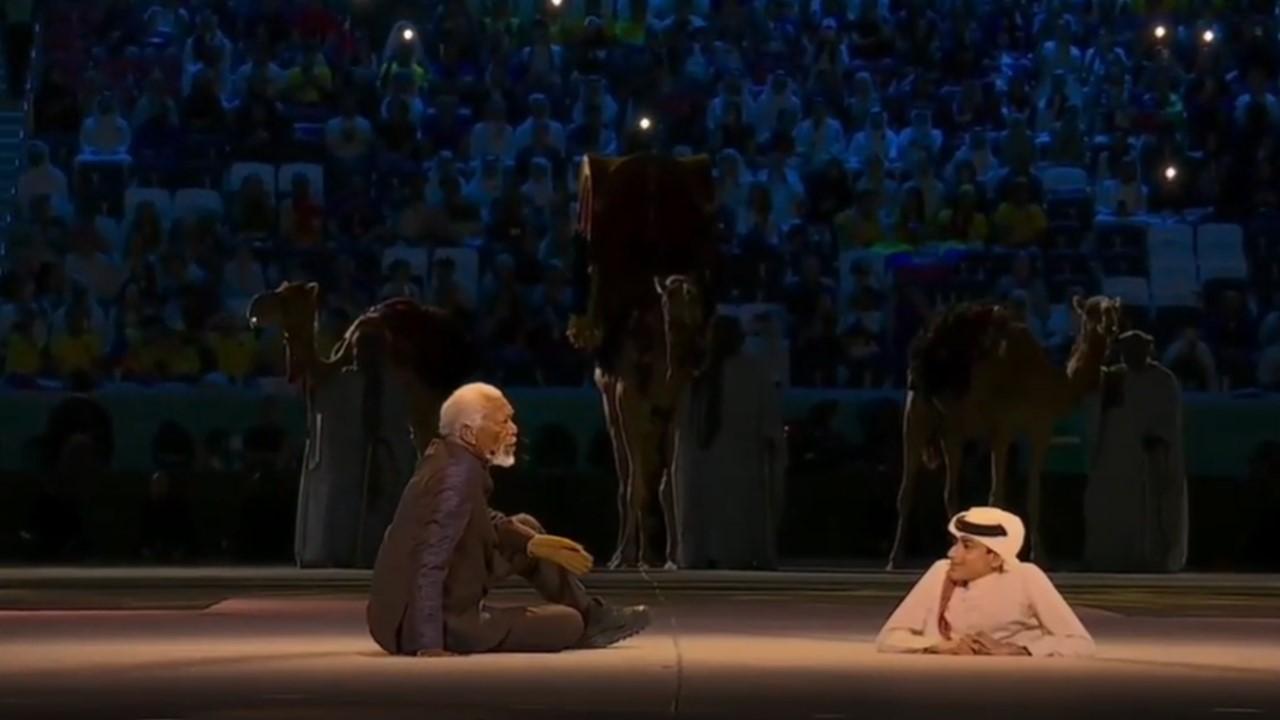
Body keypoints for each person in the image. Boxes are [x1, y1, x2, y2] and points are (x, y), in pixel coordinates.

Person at [367, 383, 651, 656]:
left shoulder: (450, 460)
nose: (514, 430)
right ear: (469, 433)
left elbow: (477, 518)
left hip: (409, 616)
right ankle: (586, 620)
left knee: (525, 527)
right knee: (567, 622)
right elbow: (430, 559)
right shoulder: (457, 478)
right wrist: (428, 644)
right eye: (502, 423)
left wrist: (531, 544)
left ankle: (591, 616)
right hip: (437, 625)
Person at [876, 507, 1095, 657]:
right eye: (955, 544)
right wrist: (938, 646)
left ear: (995, 557)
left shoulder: (1026, 576)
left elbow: (1080, 644)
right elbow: (889, 638)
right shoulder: (940, 572)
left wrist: (1019, 649)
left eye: (967, 547)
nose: (953, 553)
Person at [675, 315, 786, 569]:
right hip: (741, 466)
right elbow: (770, 423)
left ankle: (699, 551)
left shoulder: (694, 376)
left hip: (704, 467)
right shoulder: (753, 374)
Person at [1084, 331, 1188, 573]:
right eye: (1126, 350)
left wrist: (1158, 443)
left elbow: (1169, 418)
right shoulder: (1113, 379)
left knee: (1153, 509)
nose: (1131, 355)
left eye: (1137, 350)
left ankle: (1154, 557)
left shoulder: (1163, 379)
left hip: (1150, 456)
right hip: (1116, 456)